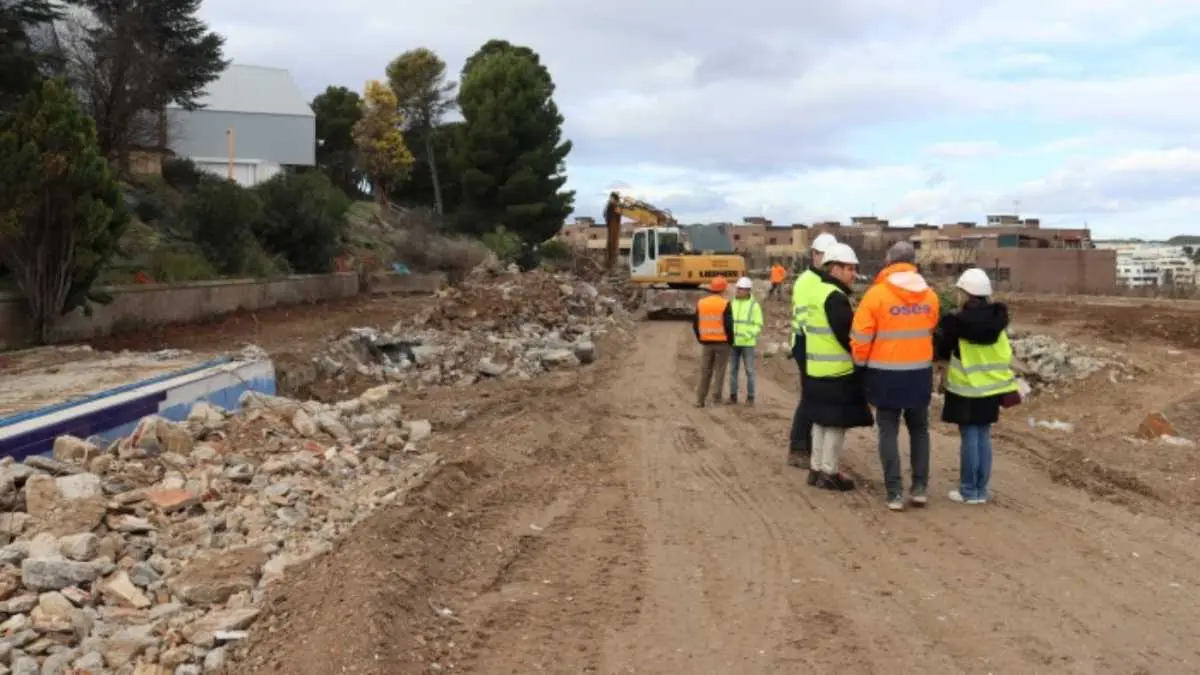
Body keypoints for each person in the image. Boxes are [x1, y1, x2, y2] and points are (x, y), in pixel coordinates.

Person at [851, 241, 940, 512]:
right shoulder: (930, 296)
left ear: (888, 261)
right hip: (919, 374)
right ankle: (920, 488)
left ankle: (894, 492)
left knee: (888, 431)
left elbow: (861, 337)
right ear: (913, 261)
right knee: (920, 430)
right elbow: (932, 327)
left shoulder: (876, 295)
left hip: (885, 374)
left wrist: (860, 366)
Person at [936, 268, 1018, 505]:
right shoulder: (998, 320)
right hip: (992, 387)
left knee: (970, 436)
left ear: (965, 293)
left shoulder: (956, 321)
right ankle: (981, 490)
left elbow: (943, 349)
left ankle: (969, 490)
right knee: (983, 435)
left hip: (967, 387)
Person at [802, 243, 873, 491]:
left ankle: (816, 468)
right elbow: (847, 336)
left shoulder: (816, 292)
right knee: (835, 422)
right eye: (850, 268)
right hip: (836, 370)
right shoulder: (835, 297)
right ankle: (829, 472)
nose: (853, 274)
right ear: (835, 269)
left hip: (816, 368)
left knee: (821, 420)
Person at [787, 232, 839, 467]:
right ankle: (798, 447)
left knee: (816, 395)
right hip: (806, 342)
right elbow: (810, 319)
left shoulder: (822, 280)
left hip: (815, 342)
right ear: (814, 255)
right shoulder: (808, 281)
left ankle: (812, 446)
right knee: (810, 395)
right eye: (822, 255)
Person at [693, 276, 735, 408]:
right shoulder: (725, 303)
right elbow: (729, 325)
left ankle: (700, 400)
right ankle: (716, 400)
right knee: (720, 371)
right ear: (723, 288)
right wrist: (731, 341)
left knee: (705, 371)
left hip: (707, 343)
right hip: (722, 343)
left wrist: (701, 338)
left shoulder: (701, 303)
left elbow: (695, 324)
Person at [728, 276, 764, 405]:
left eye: (741, 289)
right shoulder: (732, 303)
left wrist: (747, 334)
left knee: (749, 371)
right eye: (738, 288)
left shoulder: (754, 306)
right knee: (733, 370)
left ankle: (750, 397)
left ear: (748, 290)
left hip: (747, 343)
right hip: (733, 343)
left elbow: (758, 325)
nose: (738, 291)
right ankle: (732, 396)